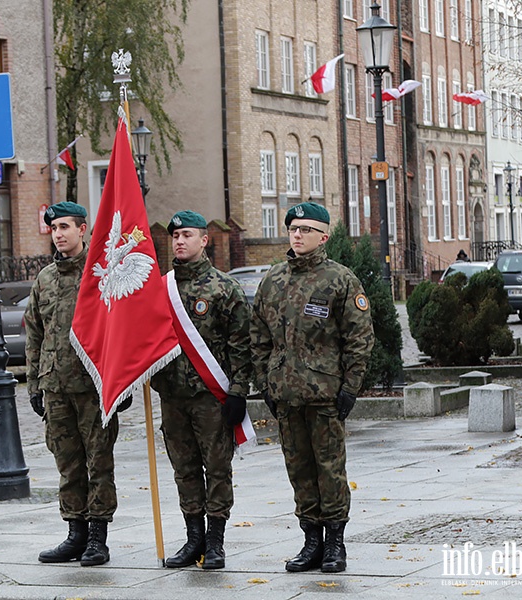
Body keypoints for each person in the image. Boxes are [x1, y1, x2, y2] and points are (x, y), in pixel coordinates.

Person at [250, 202, 374, 574]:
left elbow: (359, 337)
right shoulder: (273, 280)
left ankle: (335, 543)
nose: (297, 235)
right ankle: (311, 541)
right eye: (293, 229)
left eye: (305, 229)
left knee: (330, 470)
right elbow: (258, 337)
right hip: (286, 397)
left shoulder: (340, 279)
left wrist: (350, 387)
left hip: (325, 395)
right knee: (299, 470)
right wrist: (266, 383)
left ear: (324, 235)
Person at [150, 210, 251, 570]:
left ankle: (216, 542)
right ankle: (193, 539)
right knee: (184, 469)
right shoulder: (159, 289)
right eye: (175, 236)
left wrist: (238, 391)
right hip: (172, 396)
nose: (179, 241)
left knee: (217, 469)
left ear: (204, 240)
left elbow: (242, 344)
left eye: (187, 235)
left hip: (211, 397)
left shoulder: (224, 288)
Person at [24, 201, 124, 567]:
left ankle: (98, 537)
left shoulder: (101, 275)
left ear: (83, 230)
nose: (59, 234)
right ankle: (75, 533)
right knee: (67, 463)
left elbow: (121, 330)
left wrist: (121, 383)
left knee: (98, 462)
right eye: (54, 229)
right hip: (56, 387)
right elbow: (34, 332)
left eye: (66, 227)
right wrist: (34, 383)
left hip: (95, 386)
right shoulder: (45, 279)